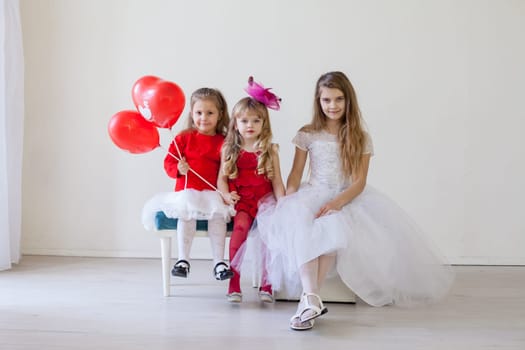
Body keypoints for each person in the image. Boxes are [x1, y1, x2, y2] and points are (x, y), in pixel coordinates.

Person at [256, 71, 455, 330]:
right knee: (300, 220)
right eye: (326, 100)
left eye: (339, 99)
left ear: (349, 100)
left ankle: (308, 300)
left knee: (331, 226)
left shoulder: (360, 137)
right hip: (312, 191)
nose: (333, 106)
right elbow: (295, 175)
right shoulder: (307, 134)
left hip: (346, 195)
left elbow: (359, 182)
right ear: (318, 101)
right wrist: (288, 200)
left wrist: (337, 202)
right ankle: (312, 297)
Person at [142, 87, 235, 282]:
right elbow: (168, 164)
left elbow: (229, 172)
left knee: (217, 216)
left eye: (210, 113)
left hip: (213, 193)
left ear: (220, 115)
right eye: (199, 113)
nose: (204, 118)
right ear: (192, 114)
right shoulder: (182, 139)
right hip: (187, 192)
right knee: (187, 213)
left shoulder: (223, 142)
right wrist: (179, 168)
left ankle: (219, 262)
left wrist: (229, 193)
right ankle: (183, 260)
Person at [218, 77, 285, 303]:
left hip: (265, 202)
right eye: (244, 120)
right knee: (240, 230)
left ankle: (267, 284)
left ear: (264, 124)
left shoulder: (270, 149)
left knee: (268, 239)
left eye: (256, 120)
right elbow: (222, 180)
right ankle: (234, 283)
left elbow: (276, 181)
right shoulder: (229, 149)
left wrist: (282, 204)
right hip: (243, 203)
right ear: (235, 123)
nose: (250, 125)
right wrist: (227, 195)